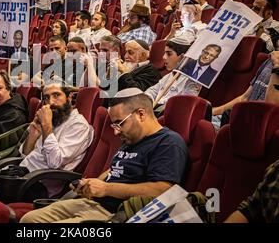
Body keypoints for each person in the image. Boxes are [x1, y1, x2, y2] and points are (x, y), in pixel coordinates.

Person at [20, 88, 188, 223]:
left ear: (141, 114)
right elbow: (115, 170)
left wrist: (106, 189)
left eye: (119, 123)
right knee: (29, 219)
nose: (115, 131)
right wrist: (92, 184)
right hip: (95, 203)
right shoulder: (131, 138)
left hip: (118, 213)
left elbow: (163, 189)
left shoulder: (168, 142)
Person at [0, 83, 94, 201]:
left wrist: (46, 126)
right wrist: (34, 134)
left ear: (69, 98)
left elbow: (55, 162)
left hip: (37, 184)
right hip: (20, 173)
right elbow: (25, 154)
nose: (50, 102)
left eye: (56, 95)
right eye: (46, 97)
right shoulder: (55, 119)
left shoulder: (78, 125)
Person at [212, 51, 279, 127]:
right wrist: (213, 111)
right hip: (238, 118)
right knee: (200, 116)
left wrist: (277, 68)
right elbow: (245, 97)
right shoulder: (270, 61)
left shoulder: (276, 65)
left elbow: (271, 111)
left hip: (256, 128)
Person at [145, 37, 201, 115]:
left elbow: (185, 105)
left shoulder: (192, 80)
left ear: (182, 57)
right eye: (164, 53)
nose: (163, 57)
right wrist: (147, 101)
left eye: (169, 54)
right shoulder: (169, 76)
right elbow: (152, 91)